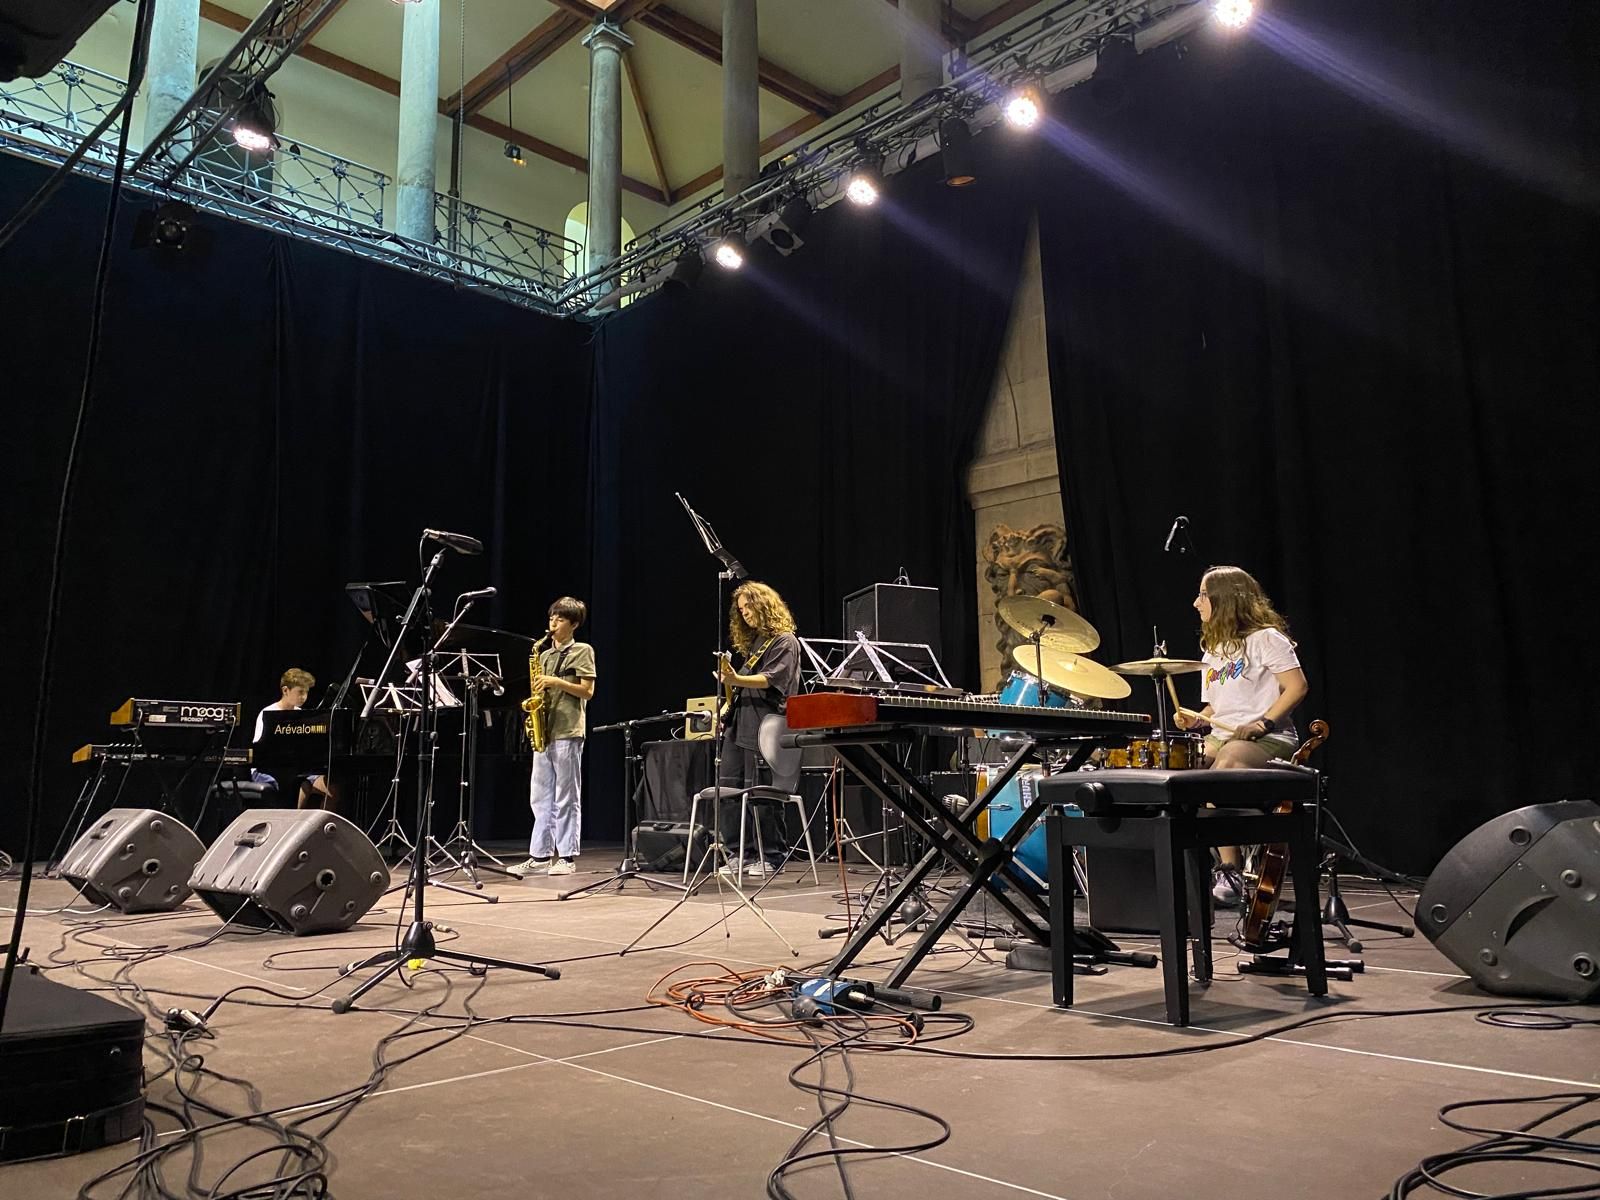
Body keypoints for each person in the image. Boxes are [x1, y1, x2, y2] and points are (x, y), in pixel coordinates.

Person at [1172, 566, 1309, 908]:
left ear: (1225, 599)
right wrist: (1195, 718)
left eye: (1203, 595)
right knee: (1182, 767)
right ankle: (1189, 868)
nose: (1196, 603)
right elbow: (1215, 711)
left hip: (1269, 738)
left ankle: (1229, 870)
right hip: (1224, 737)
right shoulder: (1214, 651)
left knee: (1227, 761)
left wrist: (1264, 723)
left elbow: (1297, 687)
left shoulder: (1266, 638)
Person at [713, 581, 803, 878]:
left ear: (764, 605)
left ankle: (771, 855)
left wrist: (736, 678)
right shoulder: (754, 644)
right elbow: (739, 686)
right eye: (741, 610)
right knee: (729, 790)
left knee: (763, 793)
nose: (746, 614)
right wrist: (728, 690)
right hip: (740, 725)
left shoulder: (784, 641)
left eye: (749, 607)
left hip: (766, 725)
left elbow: (769, 679)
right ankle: (740, 853)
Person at [510, 597, 596, 878]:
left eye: (560, 619)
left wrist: (556, 682)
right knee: (540, 796)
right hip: (544, 730)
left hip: (568, 729)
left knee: (566, 796)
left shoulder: (583, 650)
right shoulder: (543, 655)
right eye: (551, 618)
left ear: (573, 624)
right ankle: (539, 855)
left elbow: (587, 691)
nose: (553, 623)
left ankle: (567, 856)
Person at [251, 667, 333, 809]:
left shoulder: (301, 714)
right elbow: (260, 748)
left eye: (306, 692)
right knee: (289, 785)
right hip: (265, 770)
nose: (304, 697)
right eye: (300, 692)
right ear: (285, 690)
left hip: (296, 769)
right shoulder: (268, 713)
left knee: (331, 787)